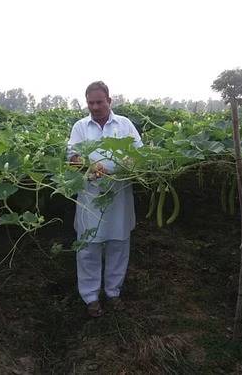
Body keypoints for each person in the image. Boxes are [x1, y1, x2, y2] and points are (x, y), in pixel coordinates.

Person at [66, 81, 142, 317]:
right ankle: (90, 297)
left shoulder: (125, 124)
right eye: (91, 102)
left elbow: (139, 153)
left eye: (99, 102)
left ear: (109, 100)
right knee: (89, 247)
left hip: (118, 195)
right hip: (90, 196)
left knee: (118, 245)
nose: (95, 107)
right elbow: (72, 157)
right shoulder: (80, 126)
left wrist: (127, 164)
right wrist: (88, 166)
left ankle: (113, 292)